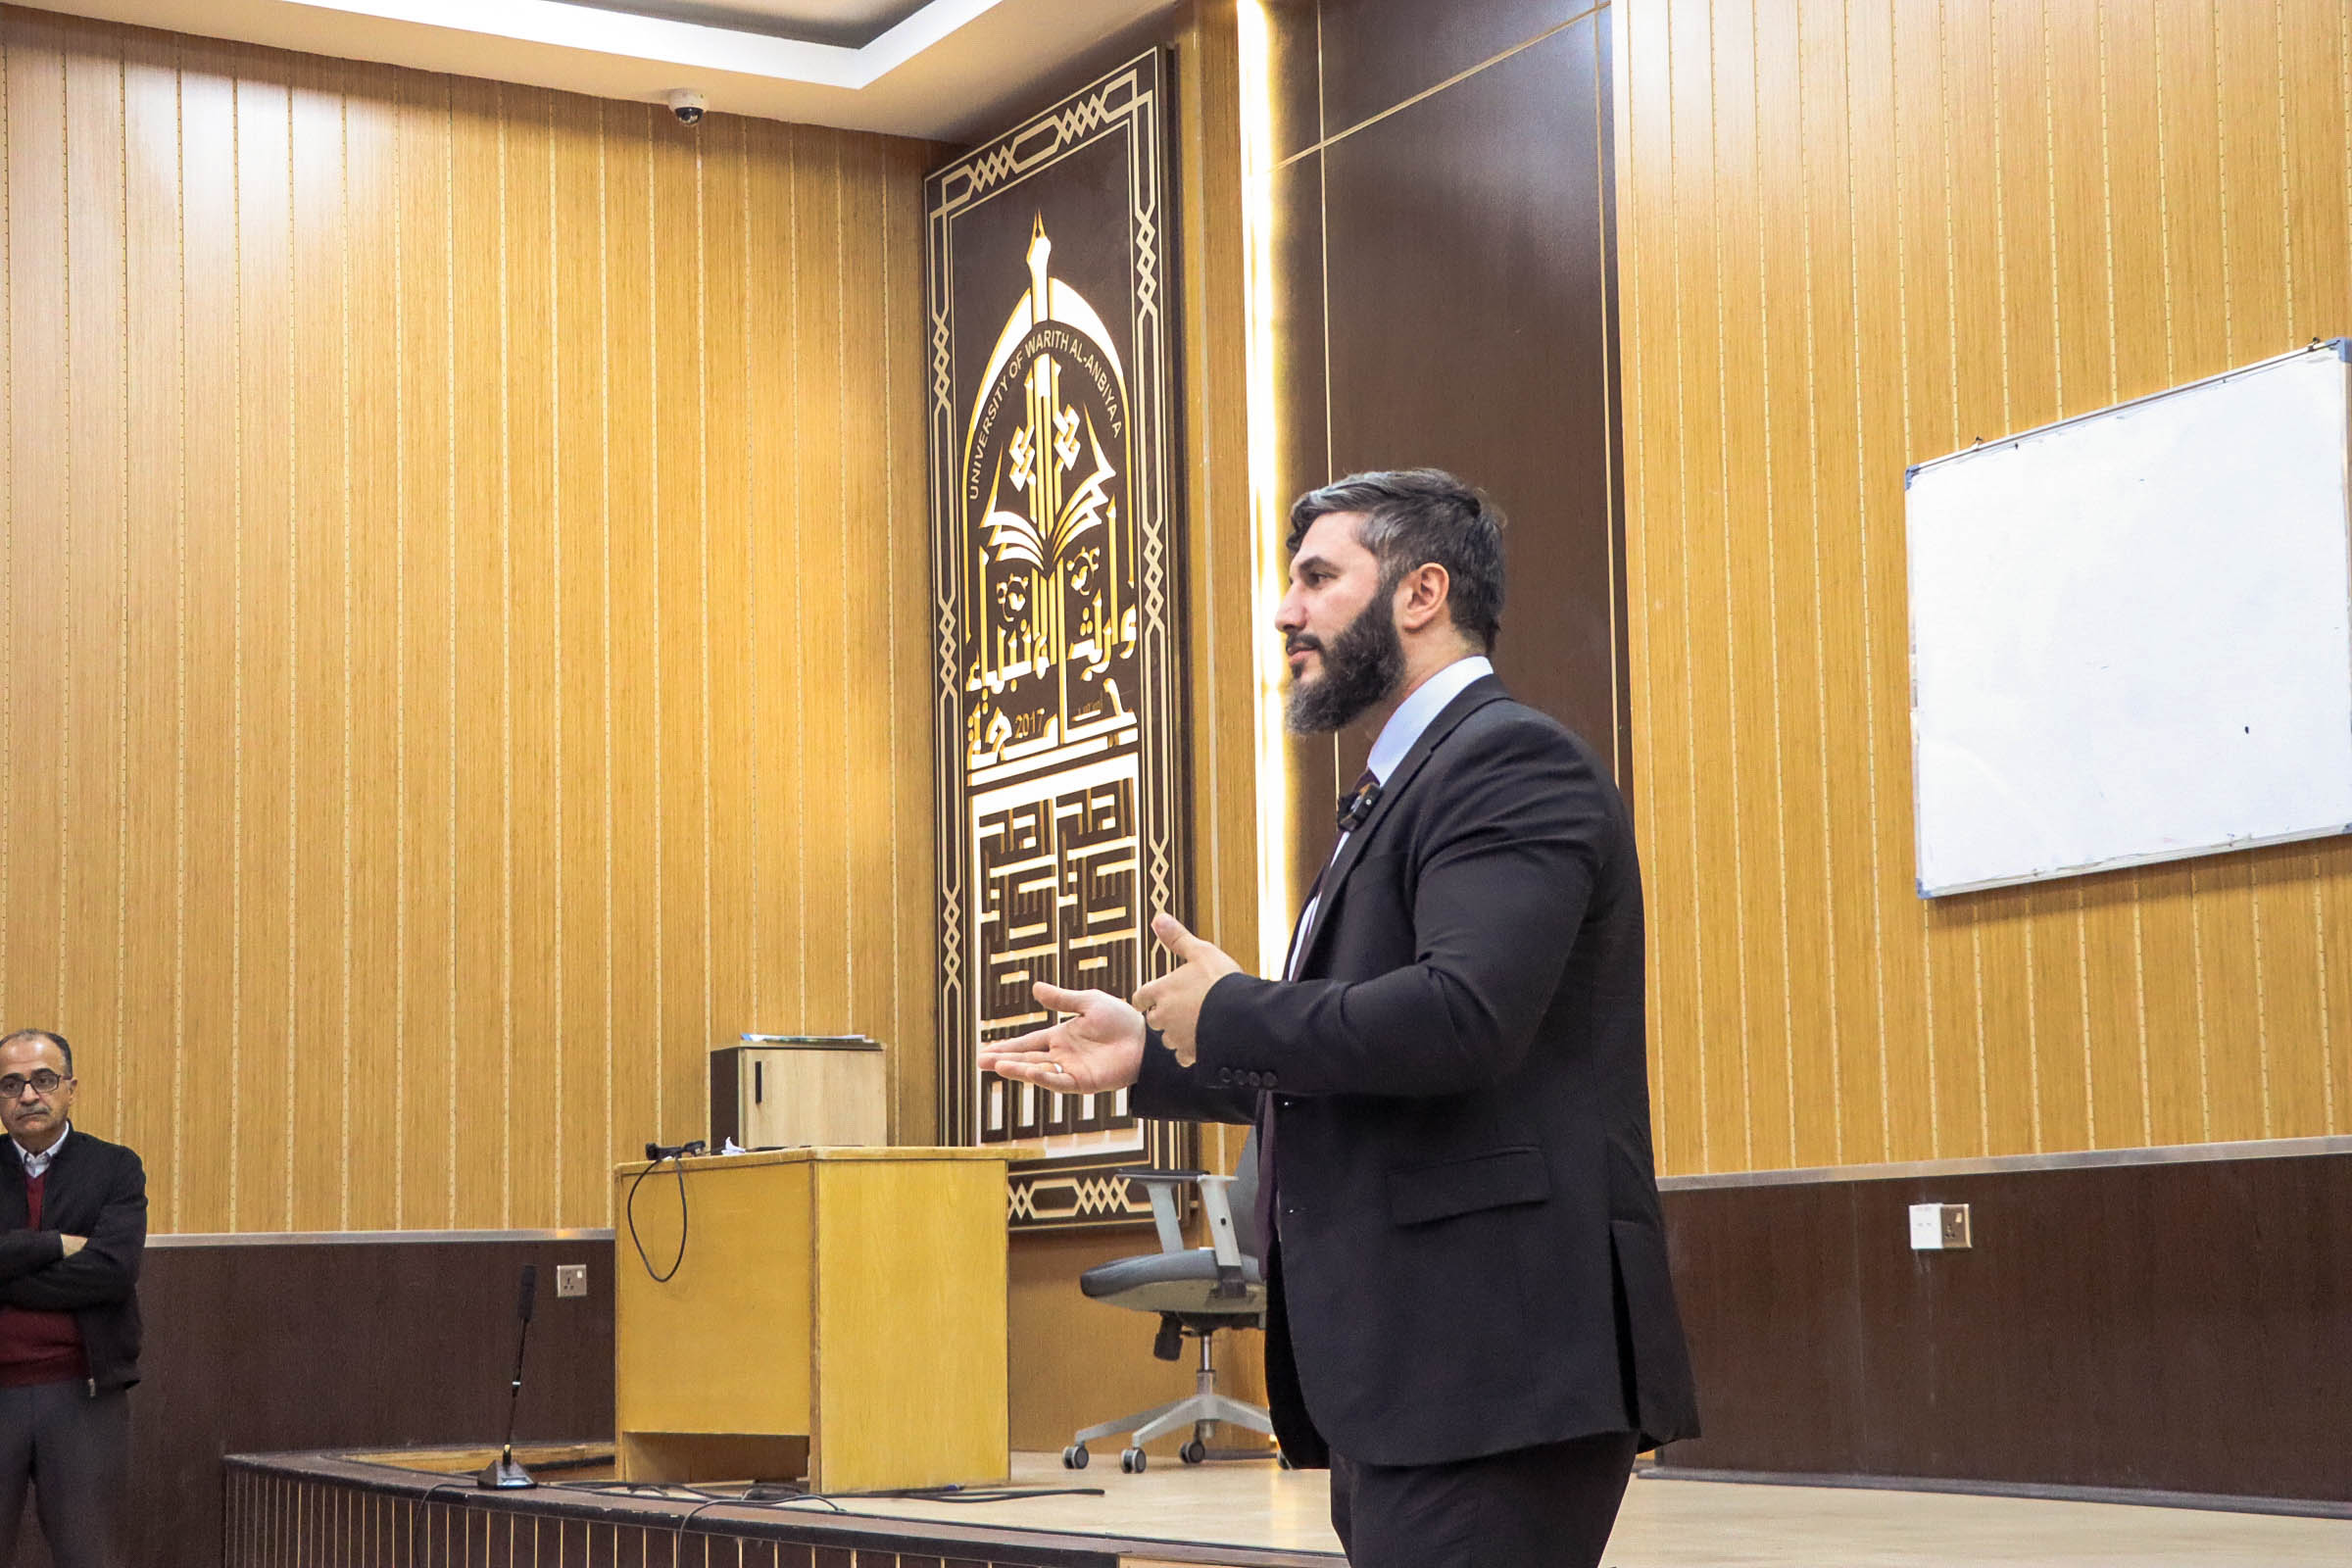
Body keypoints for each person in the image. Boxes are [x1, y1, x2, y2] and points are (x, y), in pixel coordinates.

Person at [981, 468, 1699, 1567]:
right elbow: (1364, 1054)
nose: (1286, 610)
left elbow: (1462, 1018)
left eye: (1318, 578)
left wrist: (1234, 1010)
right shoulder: (1401, 783)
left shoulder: (1509, 762)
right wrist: (1160, 1056)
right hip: (1413, 1372)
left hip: (1493, 1368)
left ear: (1421, 593)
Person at [0, 1029, 145, 1568]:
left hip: (81, 1394)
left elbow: (112, 1272)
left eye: (43, 1079)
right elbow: (85, 1265)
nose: (28, 1095)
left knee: (89, 1556)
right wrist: (55, 1245)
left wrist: (8, 1270)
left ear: (70, 1088)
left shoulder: (115, 1167)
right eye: (11, 1084)